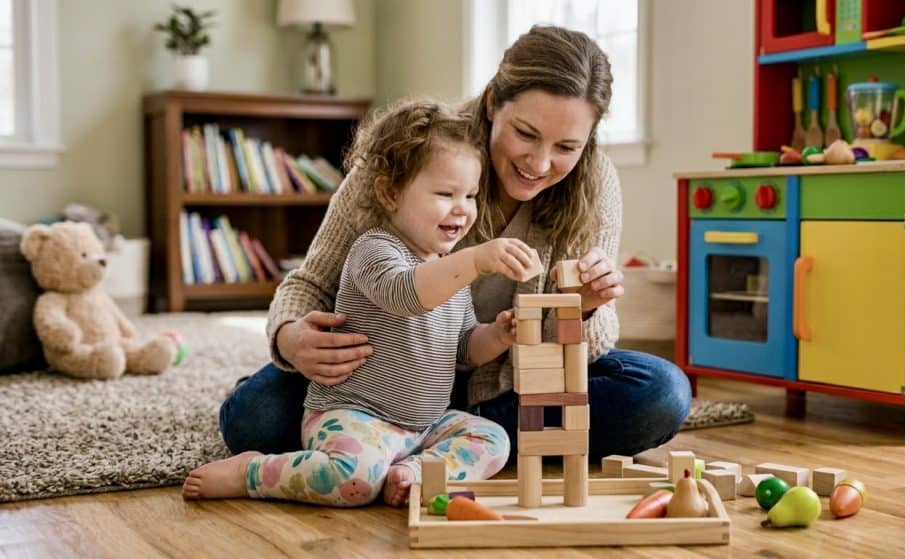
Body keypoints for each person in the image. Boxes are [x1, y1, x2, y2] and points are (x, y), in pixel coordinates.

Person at [219, 24, 691, 463]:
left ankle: (419, 442)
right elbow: (311, 283)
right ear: (492, 104)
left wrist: (583, 308)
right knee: (254, 418)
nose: (540, 162)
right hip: (378, 380)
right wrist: (291, 338)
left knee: (660, 393)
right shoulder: (413, 154)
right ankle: (450, 443)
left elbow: (571, 357)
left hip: (504, 386)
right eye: (525, 134)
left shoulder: (594, 185)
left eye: (567, 147)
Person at [184, 100, 541, 507]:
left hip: (422, 426)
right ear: (390, 193)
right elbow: (407, 293)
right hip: (353, 416)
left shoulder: (450, 273)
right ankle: (251, 472)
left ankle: (412, 473)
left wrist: (496, 335)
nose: (462, 208)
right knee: (352, 482)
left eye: (471, 195)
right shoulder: (374, 250)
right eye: (445, 193)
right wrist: (476, 259)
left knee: (494, 440)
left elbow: (462, 349)